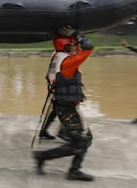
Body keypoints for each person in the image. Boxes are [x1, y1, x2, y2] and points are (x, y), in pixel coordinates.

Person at [32, 31, 95, 181]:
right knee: (82, 141)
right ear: (66, 46)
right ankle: (66, 168)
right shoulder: (67, 63)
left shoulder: (57, 57)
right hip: (67, 108)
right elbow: (89, 49)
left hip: (63, 105)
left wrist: (73, 38)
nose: (75, 47)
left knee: (83, 139)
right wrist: (78, 35)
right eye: (72, 45)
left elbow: (78, 52)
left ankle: (48, 158)